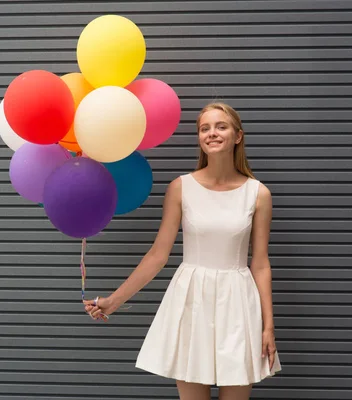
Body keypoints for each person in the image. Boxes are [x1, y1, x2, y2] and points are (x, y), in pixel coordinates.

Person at [84, 102, 282, 400]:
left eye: (221, 126)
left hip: (239, 303)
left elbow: (261, 264)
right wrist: (114, 300)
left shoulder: (258, 194)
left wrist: (268, 326)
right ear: (199, 138)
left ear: (238, 136)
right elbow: (158, 254)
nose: (212, 133)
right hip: (192, 300)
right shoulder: (181, 187)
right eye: (205, 128)